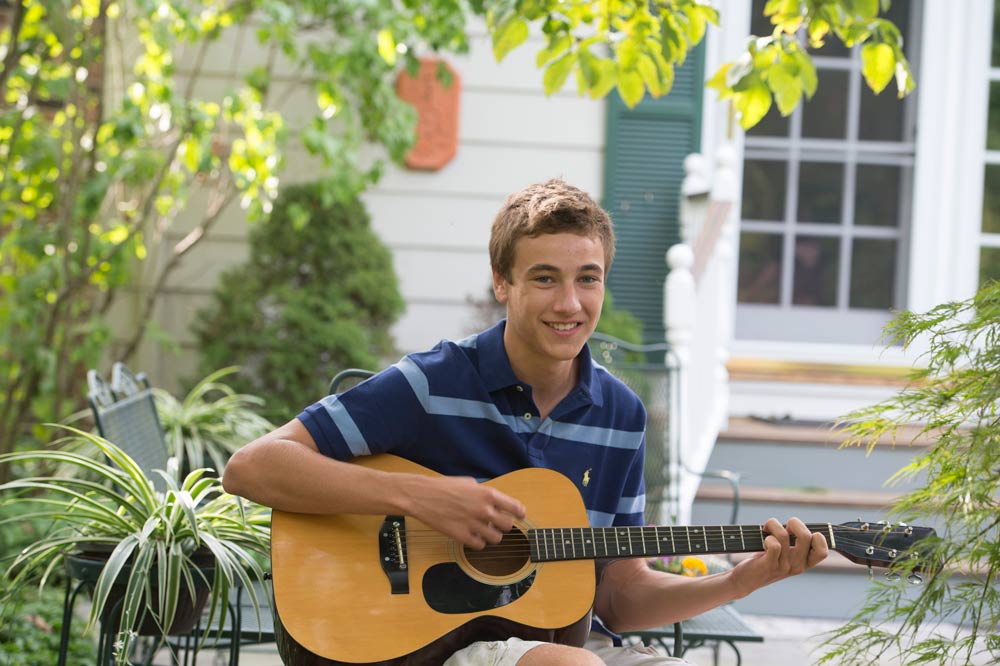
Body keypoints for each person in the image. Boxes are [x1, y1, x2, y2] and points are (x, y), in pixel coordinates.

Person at [222, 179, 829, 666]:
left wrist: (745, 580)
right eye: (545, 278)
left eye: (586, 279)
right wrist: (425, 497)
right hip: (422, 645)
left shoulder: (622, 416)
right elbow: (251, 468)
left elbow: (617, 597)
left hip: (546, 639)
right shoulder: (432, 382)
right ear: (502, 283)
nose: (569, 303)